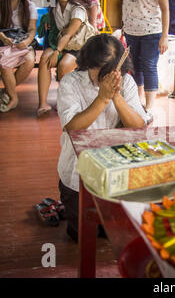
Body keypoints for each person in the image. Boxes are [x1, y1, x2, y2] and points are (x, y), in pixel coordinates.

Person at [57, 34, 151, 242]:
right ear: (87, 63)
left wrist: (116, 96)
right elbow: (72, 128)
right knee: (81, 236)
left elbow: (138, 127)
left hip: (115, 172)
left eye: (110, 71)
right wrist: (102, 98)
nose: (105, 77)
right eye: (99, 70)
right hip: (76, 174)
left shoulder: (125, 82)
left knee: (113, 233)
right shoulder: (71, 83)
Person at [37, 0, 88, 117]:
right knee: (44, 59)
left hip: (78, 47)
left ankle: (65, 101)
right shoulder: (54, 10)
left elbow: (68, 34)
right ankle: (42, 103)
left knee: (64, 65)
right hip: (62, 45)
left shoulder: (78, 9)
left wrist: (57, 52)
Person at [122, 0, 169, 113]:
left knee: (148, 66)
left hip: (151, 31)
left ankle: (149, 107)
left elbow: (165, 9)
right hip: (131, 31)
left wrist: (164, 36)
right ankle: (138, 101)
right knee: (134, 66)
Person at [0, 0, 37, 113]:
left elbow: (32, 29)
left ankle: (6, 92)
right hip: (4, 42)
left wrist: (27, 42)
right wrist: (3, 38)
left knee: (29, 61)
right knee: (5, 65)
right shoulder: (1, 3)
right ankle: (13, 97)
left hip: (23, 41)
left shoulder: (29, 6)